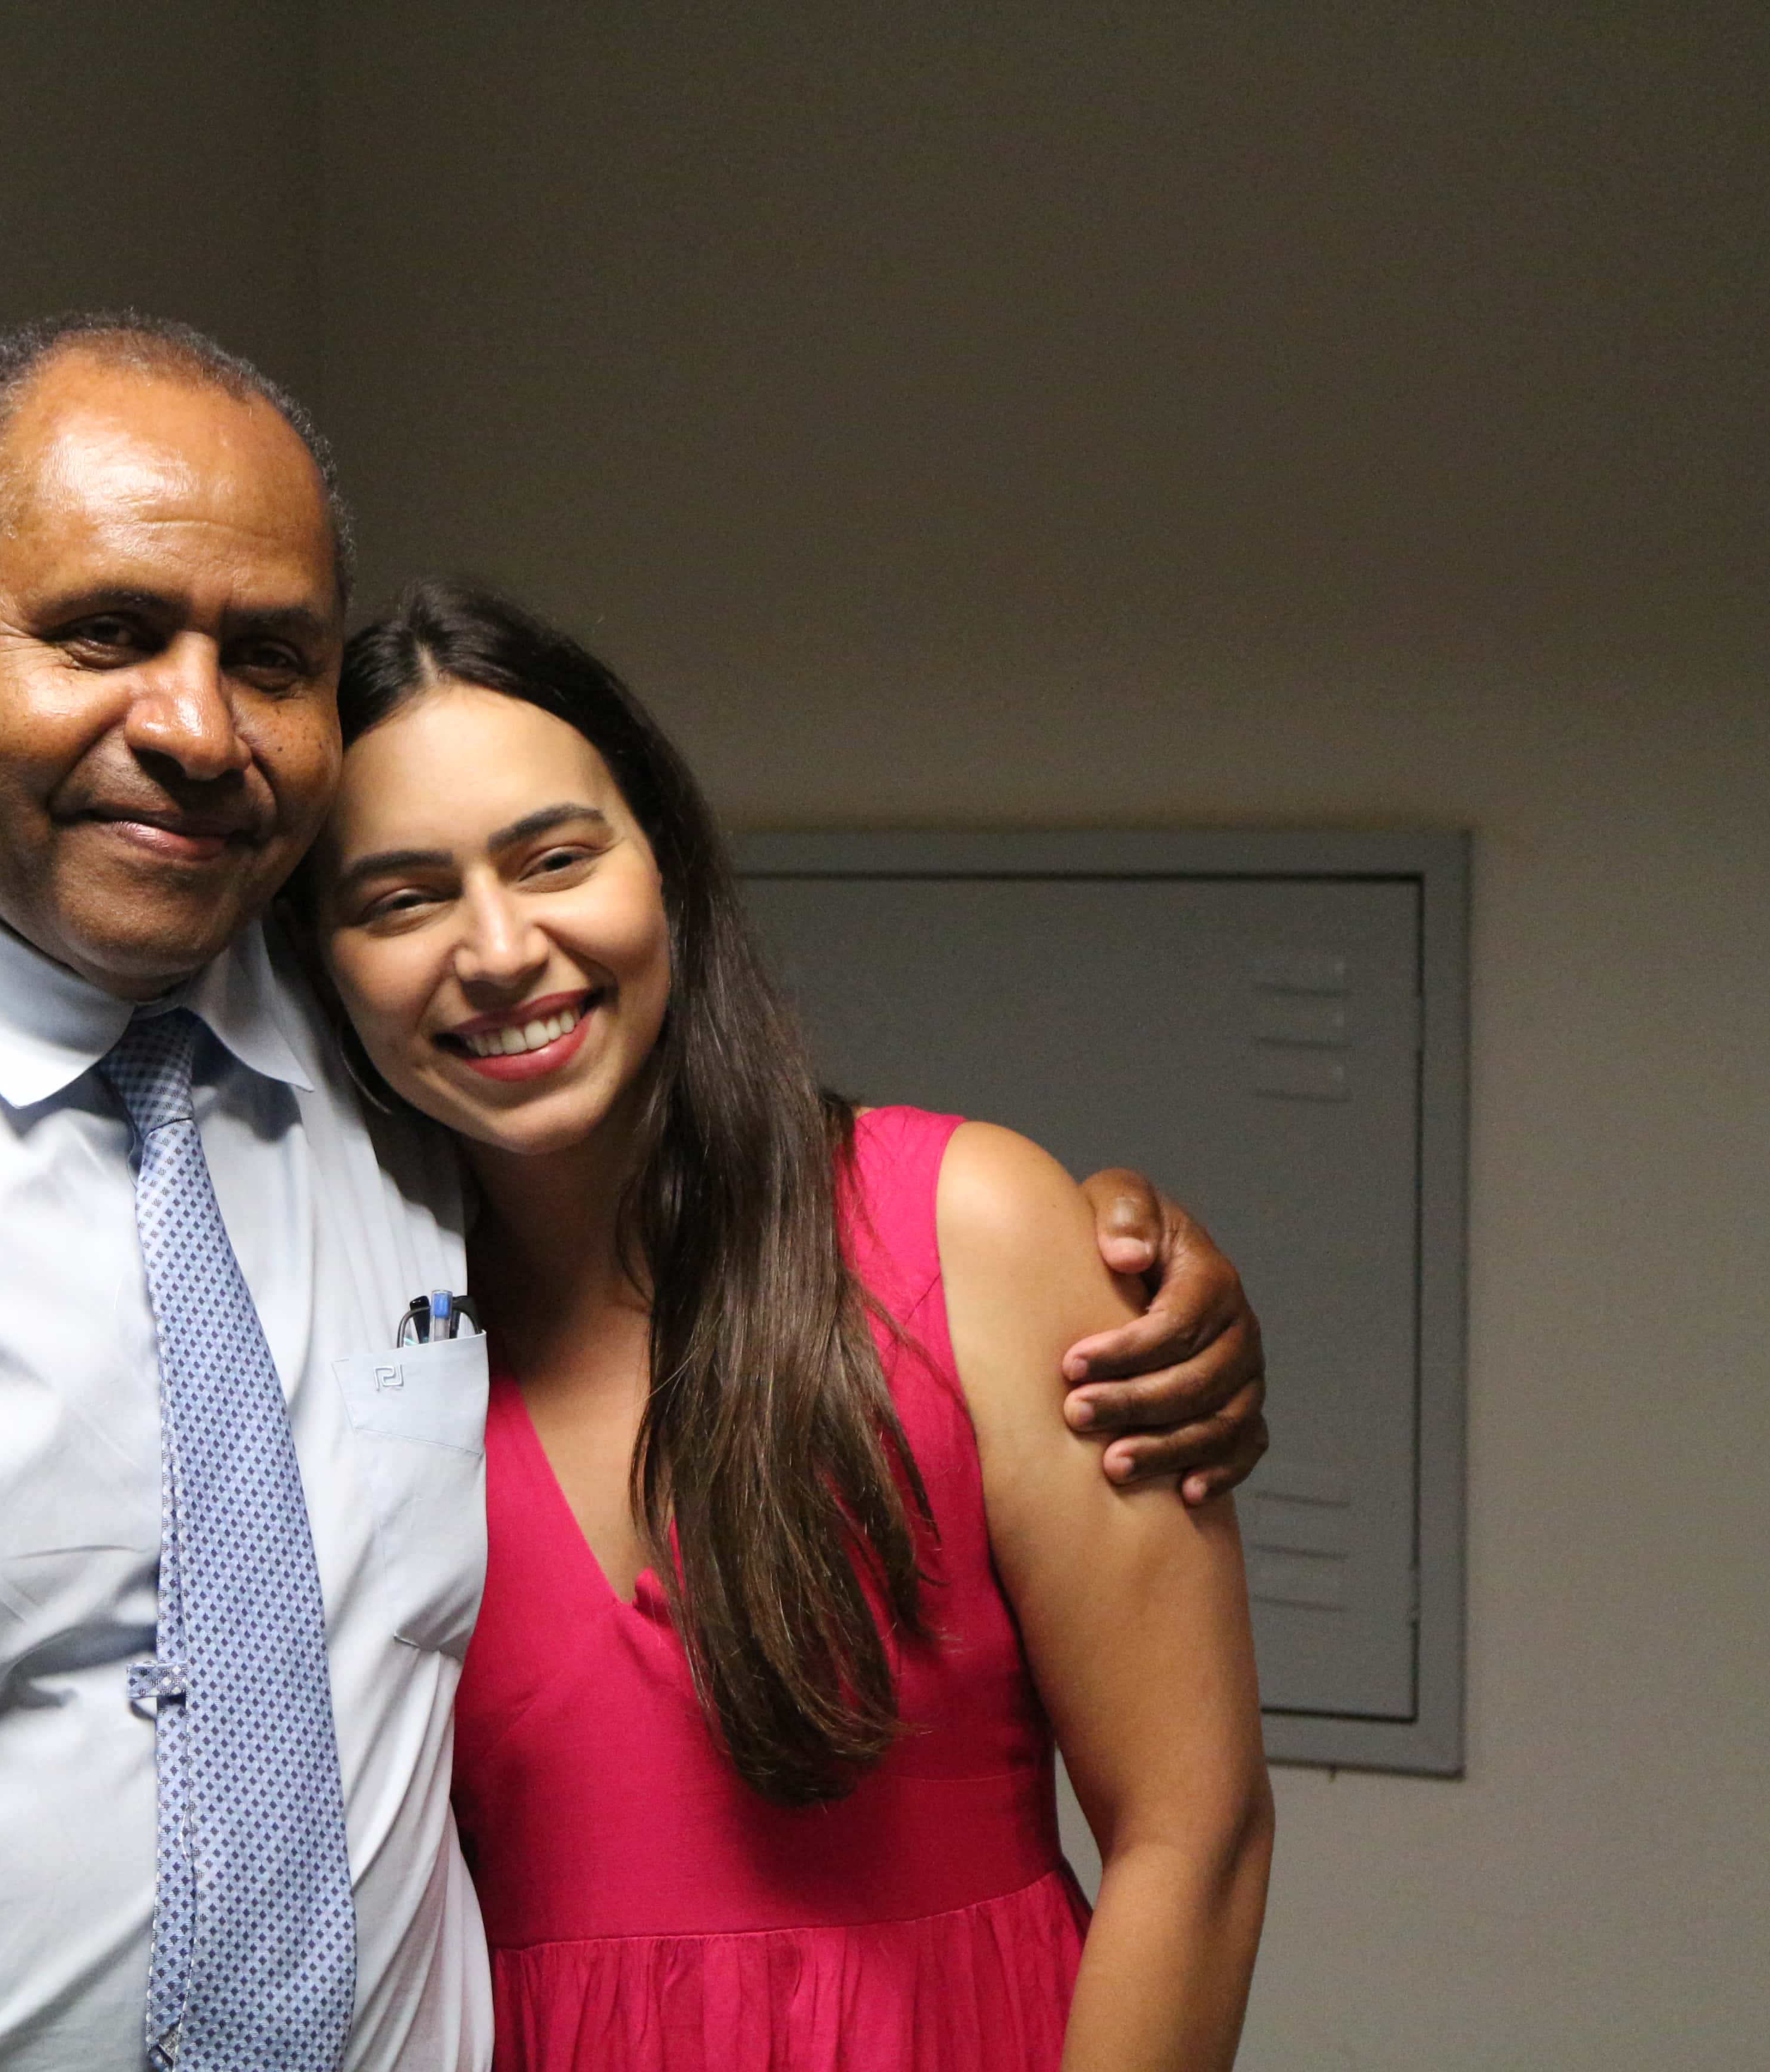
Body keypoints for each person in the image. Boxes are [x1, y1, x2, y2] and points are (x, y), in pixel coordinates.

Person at [0, 312, 1263, 2072]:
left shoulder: (377, 1111)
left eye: (270, 659)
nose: (192, 725)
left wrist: (1148, 1270)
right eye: (103, 632)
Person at [309, 581, 1271, 2068]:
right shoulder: (344, 1346)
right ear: (318, 960)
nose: (498, 949)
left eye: (556, 857)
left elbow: (1192, 1835)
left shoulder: (968, 1230)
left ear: (665, 865)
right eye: (402, 898)